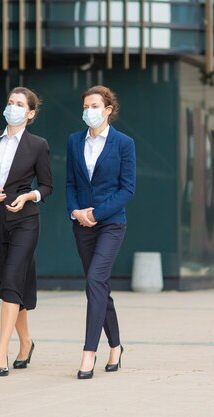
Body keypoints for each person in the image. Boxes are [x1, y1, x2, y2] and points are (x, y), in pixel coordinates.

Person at [0, 87, 53, 376]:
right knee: (13, 283)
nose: (13, 107)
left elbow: (47, 187)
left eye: (20, 104)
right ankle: (27, 342)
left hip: (25, 221)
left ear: (30, 113)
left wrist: (28, 196)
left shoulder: (38, 145)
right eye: (10, 102)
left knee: (10, 282)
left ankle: (0, 351)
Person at [65, 85, 136, 379]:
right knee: (99, 288)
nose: (88, 112)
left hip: (111, 224)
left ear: (108, 110)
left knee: (95, 280)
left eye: (94, 106)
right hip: (82, 224)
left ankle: (88, 352)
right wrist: (76, 211)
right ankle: (116, 346)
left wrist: (97, 212)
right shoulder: (74, 141)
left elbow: (127, 189)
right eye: (85, 107)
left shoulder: (123, 143)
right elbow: (70, 183)